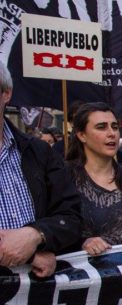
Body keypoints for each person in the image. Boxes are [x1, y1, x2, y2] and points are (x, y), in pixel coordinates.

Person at [0, 60, 81, 278]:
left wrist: (37, 234)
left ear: (6, 94)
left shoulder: (38, 152)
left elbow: (70, 216)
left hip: (36, 296)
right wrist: (24, 254)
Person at [65, 102, 122, 254]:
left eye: (115, 127)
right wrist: (82, 243)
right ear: (82, 135)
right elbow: (55, 227)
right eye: (101, 127)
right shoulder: (65, 177)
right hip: (81, 272)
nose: (112, 133)